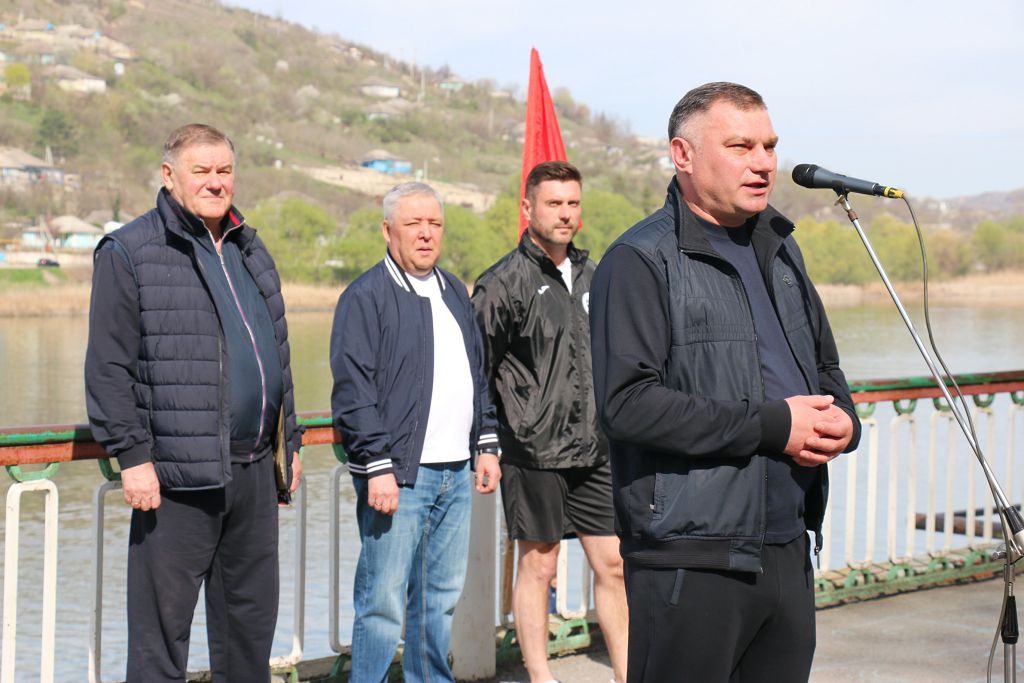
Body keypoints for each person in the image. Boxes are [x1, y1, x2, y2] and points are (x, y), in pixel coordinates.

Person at [589, 82, 862, 682]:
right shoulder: (639, 259)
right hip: (691, 557)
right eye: (740, 146)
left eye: (770, 146)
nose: (763, 162)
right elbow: (627, 405)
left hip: (788, 544)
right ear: (682, 155)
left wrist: (844, 420)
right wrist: (774, 425)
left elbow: (825, 368)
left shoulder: (782, 251)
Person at [85, 123, 302, 683]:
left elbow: (276, 352)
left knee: (250, 632)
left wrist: (292, 442)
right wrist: (132, 457)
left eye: (224, 170)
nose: (215, 182)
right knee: (162, 638)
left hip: (255, 471)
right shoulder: (129, 251)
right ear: (169, 175)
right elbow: (108, 368)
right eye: (201, 170)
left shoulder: (251, 249)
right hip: (177, 478)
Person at [330, 182, 503, 683]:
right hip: (399, 476)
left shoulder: (453, 291)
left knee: (438, 600)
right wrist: (376, 464)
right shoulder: (365, 297)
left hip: (455, 472)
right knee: (381, 603)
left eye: (434, 224)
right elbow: (354, 391)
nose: (426, 234)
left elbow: (477, 374)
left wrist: (486, 442)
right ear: (388, 231)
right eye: (414, 224)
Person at [472, 161, 628, 683]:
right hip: (532, 450)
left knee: (615, 563)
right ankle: (540, 676)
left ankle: (626, 673)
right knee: (539, 565)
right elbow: (477, 371)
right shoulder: (501, 283)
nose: (565, 214)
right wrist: (486, 442)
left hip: (596, 449)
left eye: (573, 203)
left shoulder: (595, 275)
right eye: (554, 203)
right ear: (528, 208)